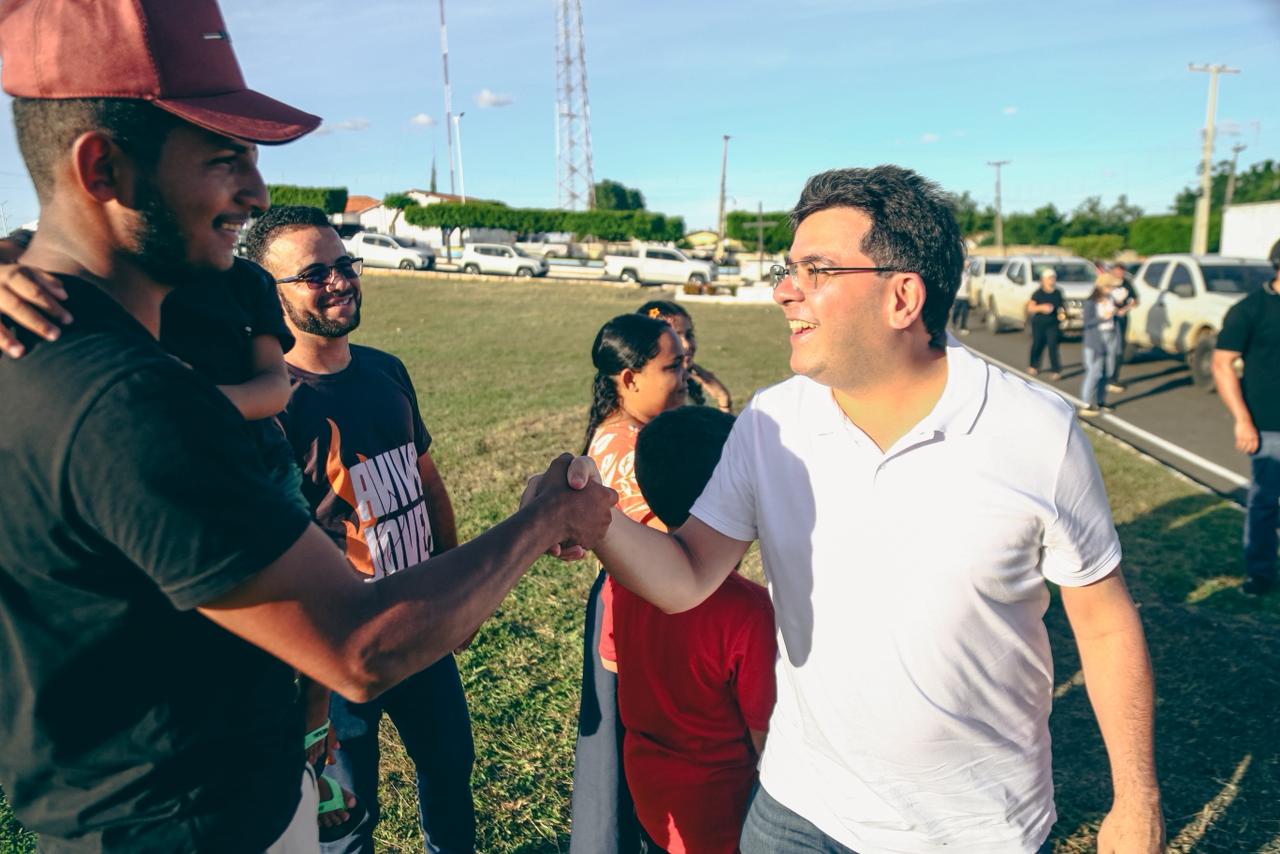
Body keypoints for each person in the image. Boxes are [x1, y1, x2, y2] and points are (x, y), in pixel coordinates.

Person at [0, 1, 615, 850]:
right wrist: (546, 517)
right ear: (101, 167)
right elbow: (359, 648)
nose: (254, 193)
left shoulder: (58, 354)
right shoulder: (127, 402)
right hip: (196, 827)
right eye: (223, 158)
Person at [537, 166, 1164, 853]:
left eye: (816, 270)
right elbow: (686, 576)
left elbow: (1104, 624)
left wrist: (1136, 801)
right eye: (788, 269)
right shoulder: (771, 423)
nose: (784, 290)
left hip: (975, 829)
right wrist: (589, 515)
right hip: (797, 812)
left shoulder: (1036, 431)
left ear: (902, 296)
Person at [248, 204, 476, 852]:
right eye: (313, 274)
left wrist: (457, 590)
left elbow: (427, 482)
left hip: (421, 616)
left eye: (344, 263)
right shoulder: (272, 402)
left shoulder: (386, 369)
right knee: (348, 817)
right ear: (272, 295)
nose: (339, 280)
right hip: (339, 646)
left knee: (450, 769)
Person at [608, 405, 776, 854]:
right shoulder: (749, 613)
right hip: (725, 820)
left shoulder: (623, 579)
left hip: (653, 800)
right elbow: (769, 744)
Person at [571, 313, 687, 854]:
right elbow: (668, 546)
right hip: (635, 614)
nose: (684, 377)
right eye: (673, 367)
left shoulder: (641, 433)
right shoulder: (626, 448)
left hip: (640, 606)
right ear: (630, 378)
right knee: (620, 764)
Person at [1213, 237, 1280, 596]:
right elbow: (1222, 364)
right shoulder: (1250, 310)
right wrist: (1243, 419)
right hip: (1269, 425)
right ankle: (1261, 574)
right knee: (1265, 502)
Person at [636, 299, 733, 412]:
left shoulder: (689, 388)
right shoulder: (653, 396)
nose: (687, 345)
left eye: (689, 335)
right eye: (675, 337)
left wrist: (723, 398)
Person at [1081, 275, 1121, 417]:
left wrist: (1117, 312)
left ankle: (1100, 400)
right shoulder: (1091, 302)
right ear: (1102, 287)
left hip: (1110, 335)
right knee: (1095, 371)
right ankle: (1087, 403)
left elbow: (1114, 317)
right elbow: (1087, 322)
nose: (1112, 289)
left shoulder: (1110, 299)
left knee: (1107, 371)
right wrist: (1103, 317)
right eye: (1110, 286)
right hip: (1095, 339)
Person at [1026, 268, 1064, 378]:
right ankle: (1033, 365)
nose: (1052, 280)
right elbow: (1030, 308)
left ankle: (1056, 370)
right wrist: (1042, 307)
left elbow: (1061, 307)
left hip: (1053, 324)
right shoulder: (1038, 293)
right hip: (1039, 323)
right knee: (1038, 344)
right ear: (1043, 280)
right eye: (1049, 278)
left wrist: (1062, 315)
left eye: (1053, 278)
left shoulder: (1058, 293)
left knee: (1053, 346)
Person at [1107, 262, 1136, 393]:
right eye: (1117, 270)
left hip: (1121, 318)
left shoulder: (1127, 283)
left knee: (1119, 348)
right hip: (1108, 320)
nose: (1119, 273)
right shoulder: (1107, 283)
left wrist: (1126, 308)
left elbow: (1134, 299)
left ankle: (1113, 378)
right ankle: (1107, 378)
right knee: (1109, 349)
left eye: (1121, 271)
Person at [951, 258, 972, 335]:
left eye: (968, 264)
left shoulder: (969, 273)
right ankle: (954, 323)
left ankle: (963, 327)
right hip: (958, 296)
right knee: (956, 312)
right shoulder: (957, 272)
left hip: (966, 296)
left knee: (965, 313)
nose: (967, 265)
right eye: (966, 264)